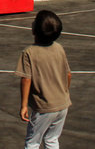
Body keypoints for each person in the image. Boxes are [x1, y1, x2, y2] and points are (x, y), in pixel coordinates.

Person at [16, 10, 72, 149]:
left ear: (35, 30)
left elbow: (26, 79)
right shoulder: (59, 48)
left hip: (44, 107)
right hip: (62, 104)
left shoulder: (29, 52)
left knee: (32, 142)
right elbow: (68, 75)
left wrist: (24, 105)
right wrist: (64, 92)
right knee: (52, 139)